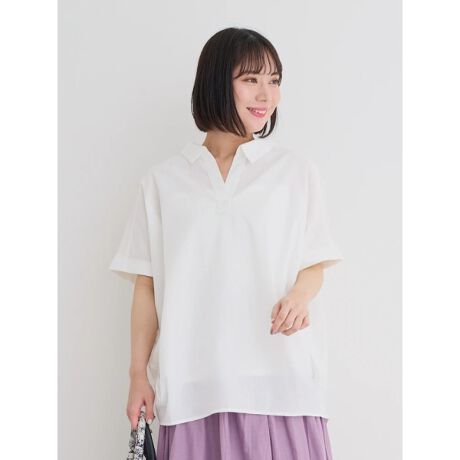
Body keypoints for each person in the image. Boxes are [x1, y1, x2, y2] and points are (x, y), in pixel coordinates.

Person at [109, 27, 344, 460]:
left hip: (281, 387)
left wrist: (299, 296)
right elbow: (147, 285)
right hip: (193, 391)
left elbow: (314, 262)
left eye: (274, 80)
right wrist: (137, 374)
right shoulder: (163, 183)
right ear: (217, 82)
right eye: (251, 79)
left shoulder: (294, 172)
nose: (266, 94)